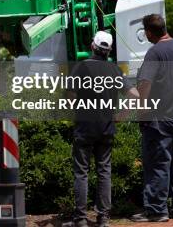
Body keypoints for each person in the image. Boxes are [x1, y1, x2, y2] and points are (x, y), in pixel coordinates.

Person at [67, 31, 138, 227]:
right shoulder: (114, 70)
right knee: (104, 171)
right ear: (109, 50)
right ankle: (103, 218)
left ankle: (80, 219)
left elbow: (70, 94)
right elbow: (134, 94)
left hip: (84, 128)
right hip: (106, 128)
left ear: (92, 47)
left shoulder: (81, 67)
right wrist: (121, 116)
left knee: (81, 172)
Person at [130, 14, 173, 222]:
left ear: (149, 32)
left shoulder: (154, 52)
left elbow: (145, 84)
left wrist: (142, 111)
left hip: (160, 119)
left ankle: (157, 210)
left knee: (158, 164)